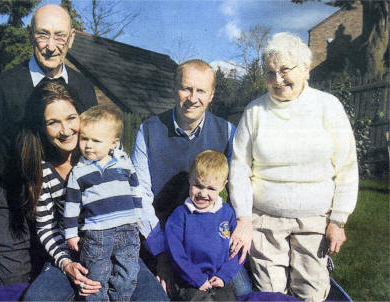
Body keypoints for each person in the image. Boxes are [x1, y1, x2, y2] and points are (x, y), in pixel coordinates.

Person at [0, 4, 97, 285]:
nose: (51, 46)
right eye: (43, 35)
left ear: (71, 38)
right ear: (30, 35)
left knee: (79, 272)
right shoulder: (5, 86)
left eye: (59, 36)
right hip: (13, 199)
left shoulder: (84, 88)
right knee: (13, 280)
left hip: (64, 199)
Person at [228, 32, 359, 301]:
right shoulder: (254, 112)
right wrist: (244, 219)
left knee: (311, 294)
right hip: (265, 222)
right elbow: (239, 168)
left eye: (285, 70)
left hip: (314, 222)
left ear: (306, 68)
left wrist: (338, 219)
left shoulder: (327, 107)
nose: (277, 80)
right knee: (270, 295)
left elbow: (347, 166)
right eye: (269, 73)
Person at [19, 81, 168, 301]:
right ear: (42, 126)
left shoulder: (110, 151)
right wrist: (67, 264)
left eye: (71, 118)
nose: (65, 130)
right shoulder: (42, 168)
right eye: (53, 122)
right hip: (74, 253)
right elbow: (47, 228)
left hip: (119, 247)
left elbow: (133, 191)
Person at [131, 59, 252, 297]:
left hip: (211, 238)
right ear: (175, 87)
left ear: (212, 94)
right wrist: (162, 254)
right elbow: (139, 196)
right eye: (186, 88)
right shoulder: (148, 131)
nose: (192, 97)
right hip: (163, 236)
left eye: (201, 91)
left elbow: (241, 181)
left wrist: (245, 224)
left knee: (243, 292)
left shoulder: (227, 132)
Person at [64, 105, 142, 301]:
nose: (88, 145)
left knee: (128, 272)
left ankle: (120, 299)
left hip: (127, 229)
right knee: (96, 275)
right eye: (84, 139)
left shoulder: (124, 164)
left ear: (113, 143)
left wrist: (138, 216)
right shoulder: (79, 171)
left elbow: (135, 189)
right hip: (97, 234)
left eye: (96, 141)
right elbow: (72, 206)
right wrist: (71, 234)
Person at [164, 150, 242, 301]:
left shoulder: (227, 213)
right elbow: (175, 253)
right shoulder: (180, 215)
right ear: (190, 180)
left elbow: (237, 250)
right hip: (189, 281)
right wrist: (196, 278)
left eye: (211, 188)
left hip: (219, 279)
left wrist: (224, 276)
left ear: (222, 186)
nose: (203, 193)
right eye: (198, 186)